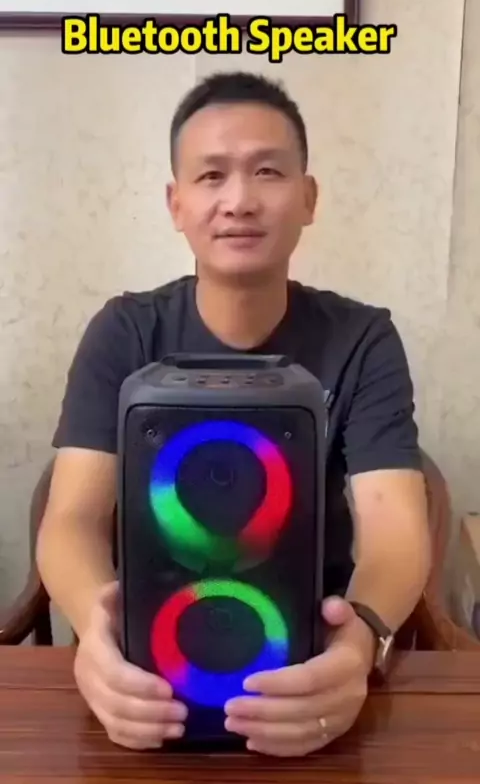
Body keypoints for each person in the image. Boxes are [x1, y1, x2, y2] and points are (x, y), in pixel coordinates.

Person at [36, 71, 431, 758]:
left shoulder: (362, 338)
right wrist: (99, 634)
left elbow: (395, 525)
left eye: (268, 171)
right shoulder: (125, 331)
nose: (239, 200)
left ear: (308, 198)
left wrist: (360, 642)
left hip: (304, 661)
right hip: (156, 661)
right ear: (176, 203)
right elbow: (70, 519)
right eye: (211, 175)